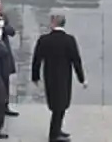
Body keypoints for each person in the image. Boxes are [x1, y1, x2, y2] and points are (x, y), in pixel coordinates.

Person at [31, 14, 86, 142]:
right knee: (61, 105)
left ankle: (56, 130)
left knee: (56, 105)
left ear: (53, 23)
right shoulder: (69, 40)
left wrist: (35, 77)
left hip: (49, 76)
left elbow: (37, 59)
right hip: (64, 77)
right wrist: (82, 78)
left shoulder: (44, 40)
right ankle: (54, 134)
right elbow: (76, 61)